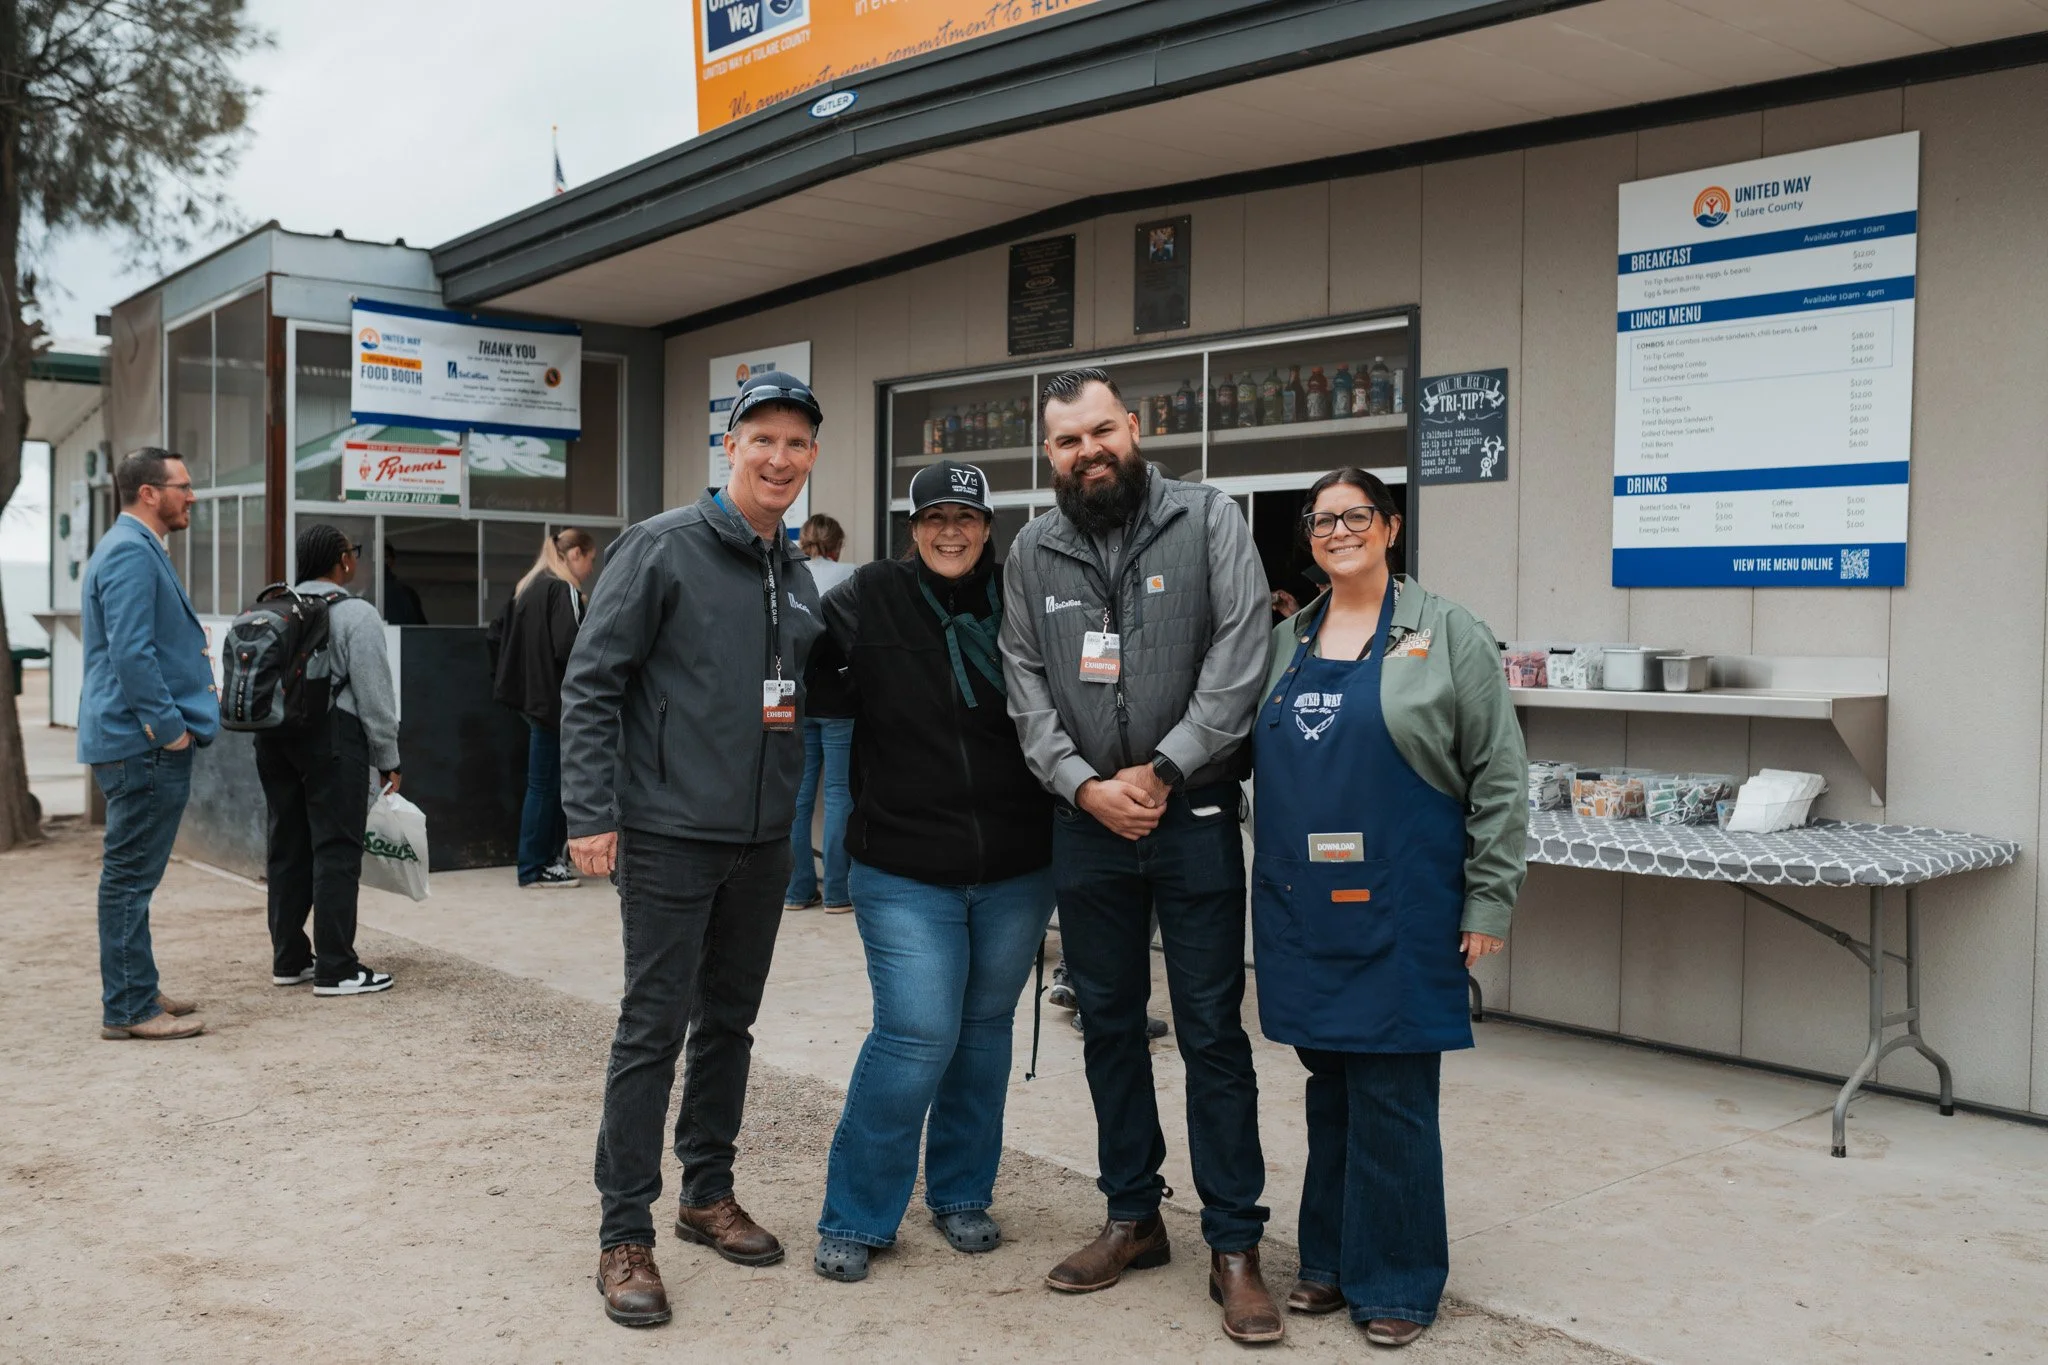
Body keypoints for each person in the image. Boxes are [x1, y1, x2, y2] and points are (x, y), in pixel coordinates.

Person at [998, 367, 1281, 1344]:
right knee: (1110, 1027)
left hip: (1192, 815)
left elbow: (1240, 657)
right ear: (1049, 456)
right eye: (1067, 442)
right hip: (1086, 827)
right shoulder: (1031, 550)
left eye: (1100, 432)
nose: (1088, 453)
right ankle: (1131, 1218)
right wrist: (1082, 785)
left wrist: (1159, 772)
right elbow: (1025, 687)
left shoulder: (1208, 521)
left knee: (1209, 1032)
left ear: (1135, 426)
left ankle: (1233, 1246)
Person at [561, 370, 827, 1329]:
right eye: (764, 439)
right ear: (730, 446)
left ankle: (705, 1191)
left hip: (762, 839)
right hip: (669, 832)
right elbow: (592, 682)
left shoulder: (791, 569)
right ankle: (621, 1232)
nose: (780, 459)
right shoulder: (662, 547)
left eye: (798, 444)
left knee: (731, 1023)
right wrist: (590, 812)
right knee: (652, 1026)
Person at [1253, 469, 1525, 1349]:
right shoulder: (1287, 638)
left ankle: (1399, 1276)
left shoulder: (1448, 634)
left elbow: (1499, 776)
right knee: (1330, 1081)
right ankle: (1330, 1258)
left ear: (1391, 526)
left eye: (1356, 515)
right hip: (1306, 902)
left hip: (1405, 897)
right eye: (1323, 519)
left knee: (1395, 1088)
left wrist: (1488, 897)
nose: (1339, 531)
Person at [807, 461, 1055, 1283]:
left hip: (1017, 864)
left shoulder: (1021, 598)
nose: (951, 531)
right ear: (912, 527)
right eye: (934, 517)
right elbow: (805, 673)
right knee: (916, 1034)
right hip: (905, 864)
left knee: (983, 1036)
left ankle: (960, 1193)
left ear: (990, 527)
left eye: (967, 518)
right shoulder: (867, 595)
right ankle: (857, 1212)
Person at [78, 447, 215, 1041]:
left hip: (134, 739)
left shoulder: (131, 547)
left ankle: (137, 986)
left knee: (133, 874)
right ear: (149, 493)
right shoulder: (132, 552)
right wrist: (171, 731)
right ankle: (130, 1008)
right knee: (130, 876)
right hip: (143, 742)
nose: (192, 496)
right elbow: (132, 654)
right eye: (183, 486)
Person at [257, 524, 403, 997]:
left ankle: (290, 959)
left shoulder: (274, 607)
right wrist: (388, 757)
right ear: (342, 561)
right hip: (333, 739)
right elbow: (375, 696)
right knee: (336, 851)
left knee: (287, 847)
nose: (355, 560)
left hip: (273, 740)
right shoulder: (356, 614)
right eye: (352, 553)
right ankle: (337, 968)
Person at [493, 527, 599, 890]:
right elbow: (571, 647)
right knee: (547, 786)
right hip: (554, 703)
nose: (590, 569)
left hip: (530, 700)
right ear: (575, 555)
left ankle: (539, 862)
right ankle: (538, 866)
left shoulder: (528, 586)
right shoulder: (563, 589)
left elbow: (495, 633)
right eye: (590, 559)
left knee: (544, 784)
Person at [784, 513, 855, 913]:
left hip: (793, 697)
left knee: (797, 796)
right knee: (839, 794)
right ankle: (839, 894)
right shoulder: (850, 573)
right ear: (837, 544)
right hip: (839, 698)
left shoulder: (787, 575)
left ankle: (796, 890)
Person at [380, 542, 428, 625]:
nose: (382, 561)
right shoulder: (359, 593)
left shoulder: (407, 593)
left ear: (392, 560)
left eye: (385, 557)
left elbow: (420, 630)